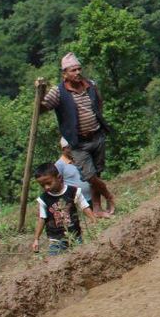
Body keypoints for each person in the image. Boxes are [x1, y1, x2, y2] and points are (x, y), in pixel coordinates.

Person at [38, 53, 116, 218]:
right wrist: (41, 90)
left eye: (79, 69)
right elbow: (42, 109)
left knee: (98, 172)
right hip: (78, 142)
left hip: (97, 135)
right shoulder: (58, 92)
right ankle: (109, 195)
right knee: (90, 176)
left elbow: (98, 103)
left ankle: (97, 208)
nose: (77, 72)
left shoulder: (90, 85)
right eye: (73, 70)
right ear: (64, 74)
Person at [30, 163, 97, 255]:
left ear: (59, 178)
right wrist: (36, 239)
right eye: (42, 185)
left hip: (75, 236)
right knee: (54, 262)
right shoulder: (44, 199)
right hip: (56, 240)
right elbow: (42, 219)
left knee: (81, 257)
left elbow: (84, 207)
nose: (46, 187)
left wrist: (95, 221)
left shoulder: (73, 192)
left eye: (49, 183)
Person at [56, 138, 91, 209]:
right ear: (63, 149)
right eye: (69, 148)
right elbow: (58, 183)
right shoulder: (59, 165)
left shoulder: (77, 159)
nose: (72, 150)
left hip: (89, 198)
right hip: (75, 202)